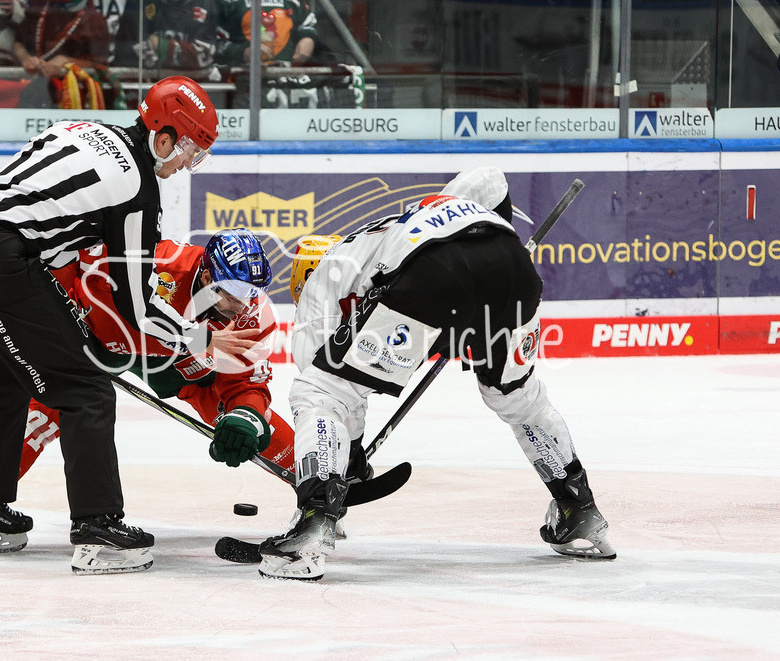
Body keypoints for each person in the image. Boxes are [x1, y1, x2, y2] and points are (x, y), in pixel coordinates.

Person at [0, 75, 258, 575]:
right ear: (163, 139)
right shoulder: (138, 189)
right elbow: (137, 307)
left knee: (1, 383)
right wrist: (199, 336)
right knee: (86, 388)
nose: (188, 164)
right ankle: (98, 527)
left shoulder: (79, 128)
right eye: (189, 150)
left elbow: (36, 206)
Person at [256, 166, 616, 580]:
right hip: (513, 266)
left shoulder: (323, 278)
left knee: (319, 394)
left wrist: (344, 462)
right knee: (518, 397)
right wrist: (491, 233)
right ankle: (580, 512)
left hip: (432, 276)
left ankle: (312, 524)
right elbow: (488, 176)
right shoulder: (407, 222)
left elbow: (332, 393)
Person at [12, 0, 109, 79]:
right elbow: (18, 43)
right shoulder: (40, 3)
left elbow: (99, 65)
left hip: (73, 89)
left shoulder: (93, 21)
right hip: (32, 84)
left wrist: (67, 62)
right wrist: (26, 59)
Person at [113, 0, 217, 71]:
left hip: (193, 83)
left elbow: (205, 56)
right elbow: (131, 52)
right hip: (146, 84)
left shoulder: (204, 1)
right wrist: (186, 52)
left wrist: (163, 46)